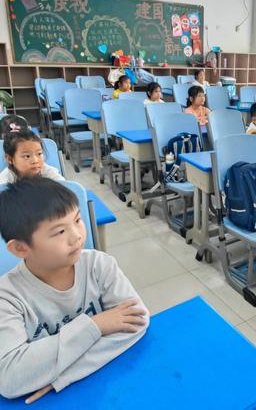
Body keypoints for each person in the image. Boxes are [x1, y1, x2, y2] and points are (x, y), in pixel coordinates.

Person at [0, 178, 149, 402]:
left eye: (78, 220)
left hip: (111, 387)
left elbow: (137, 322)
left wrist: (62, 374)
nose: (77, 236)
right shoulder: (7, 297)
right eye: (59, 232)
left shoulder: (99, 264)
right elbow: (10, 378)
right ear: (20, 247)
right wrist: (97, 325)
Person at [0, 129, 64, 184]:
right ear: (10, 159)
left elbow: (65, 187)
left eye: (39, 154)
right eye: (27, 156)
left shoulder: (46, 171)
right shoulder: (5, 180)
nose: (35, 161)